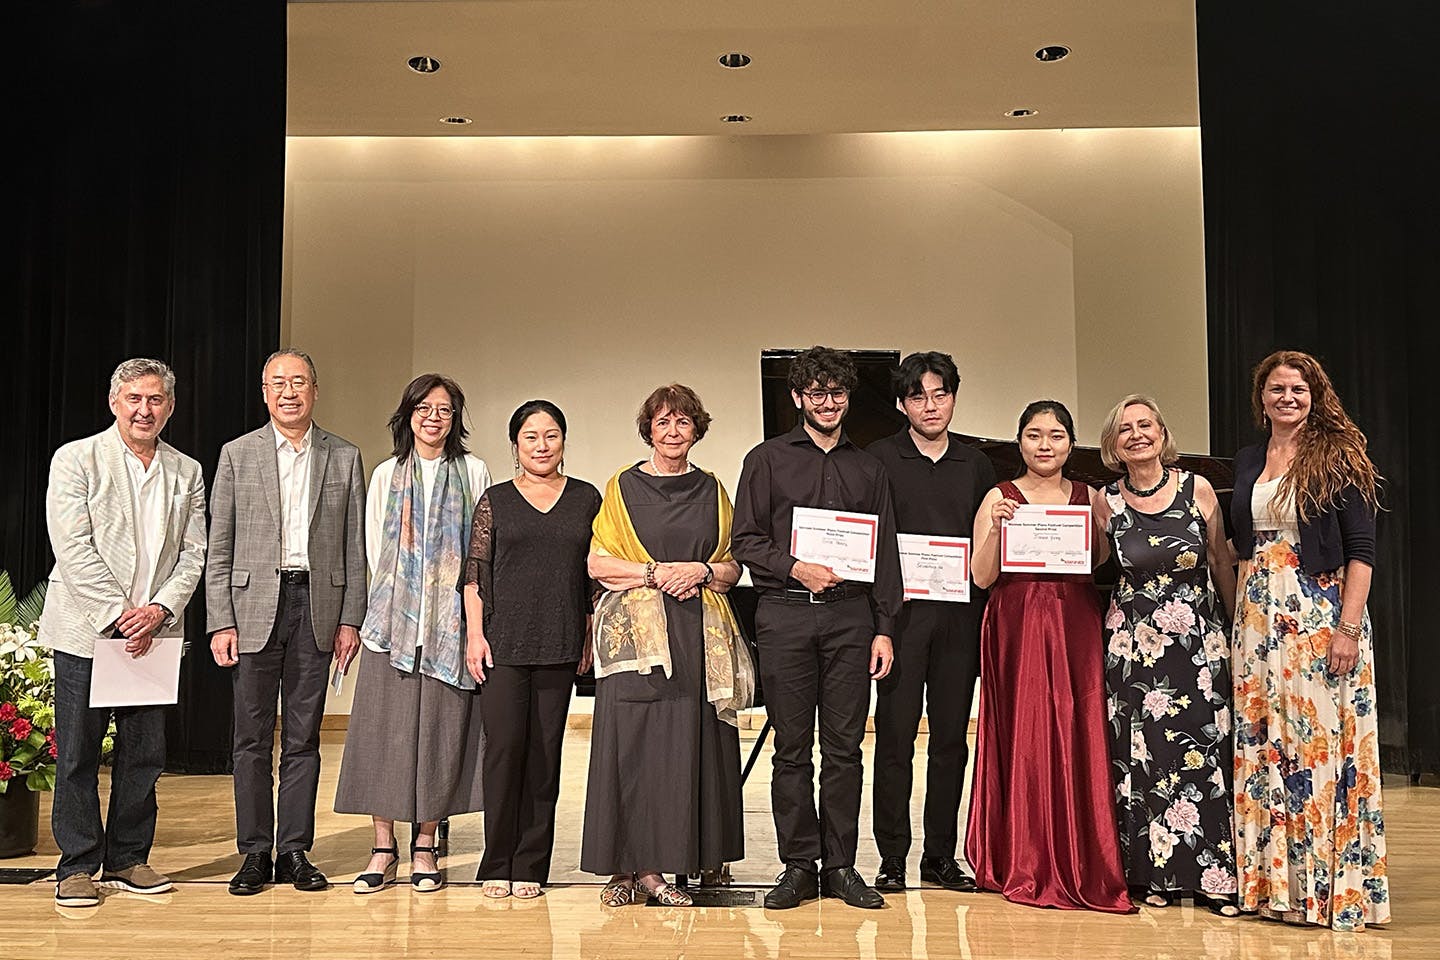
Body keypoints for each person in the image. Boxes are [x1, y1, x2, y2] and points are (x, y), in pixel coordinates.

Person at [731, 345, 901, 911]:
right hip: (785, 612)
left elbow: (886, 555)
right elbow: (746, 541)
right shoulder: (767, 460)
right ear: (799, 398)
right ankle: (798, 866)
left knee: (846, 749)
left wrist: (884, 628)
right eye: (818, 393)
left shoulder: (869, 468)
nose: (829, 404)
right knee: (792, 749)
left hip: (852, 618)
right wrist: (795, 566)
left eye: (838, 393)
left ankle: (843, 866)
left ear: (848, 399)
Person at [39, 359, 207, 908]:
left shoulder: (187, 471)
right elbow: (73, 546)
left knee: (144, 755)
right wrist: (117, 613)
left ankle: (130, 857)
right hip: (88, 632)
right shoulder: (77, 458)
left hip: (152, 636)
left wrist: (158, 609)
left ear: (170, 406)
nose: (145, 409)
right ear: (115, 402)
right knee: (79, 754)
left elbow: (193, 553)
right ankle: (78, 864)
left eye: (155, 399)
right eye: (134, 398)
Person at [1230, 350, 1388, 930]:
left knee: (1316, 747)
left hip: (1319, 614)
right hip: (1257, 620)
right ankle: (1278, 890)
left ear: (1315, 394)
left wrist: (1348, 628)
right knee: (1267, 743)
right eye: (1277, 388)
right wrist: (1237, 629)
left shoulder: (1339, 455)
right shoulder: (1249, 459)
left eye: (1298, 388)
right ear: (1261, 396)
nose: (1287, 397)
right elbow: (1243, 546)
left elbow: (1362, 553)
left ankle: (1328, 889)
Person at [582, 384, 753, 907]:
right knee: (632, 747)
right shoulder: (621, 486)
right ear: (649, 430)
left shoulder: (715, 490)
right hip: (637, 641)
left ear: (696, 430)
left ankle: (674, 867)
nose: (673, 431)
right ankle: (630, 869)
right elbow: (597, 563)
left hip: (698, 637)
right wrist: (656, 572)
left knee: (686, 748)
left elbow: (733, 565)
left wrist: (700, 569)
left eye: (683, 422)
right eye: (663, 422)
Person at [205, 349, 367, 895]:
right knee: (250, 738)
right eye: (278, 383)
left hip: (316, 608)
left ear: (315, 390)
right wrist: (219, 620)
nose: (289, 392)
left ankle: (295, 850)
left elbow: (354, 547)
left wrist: (350, 619)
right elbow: (219, 544)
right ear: (264, 393)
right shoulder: (236, 454)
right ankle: (254, 852)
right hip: (252, 609)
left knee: (304, 737)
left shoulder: (344, 456)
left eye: (299, 382)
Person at [965, 400, 1132, 913]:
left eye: (1057, 436)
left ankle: (1081, 854)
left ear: (1070, 443)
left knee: (1078, 729)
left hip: (1075, 621)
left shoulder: (1088, 495)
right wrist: (995, 526)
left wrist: (1099, 525)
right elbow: (981, 576)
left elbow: (1100, 562)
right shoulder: (1000, 495)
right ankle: (1022, 853)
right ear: (1020, 443)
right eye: (1035, 435)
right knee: (1024, 733)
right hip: (1016, 622)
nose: (1045, 445)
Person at [334, 374, 491, 893]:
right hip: (392, 628)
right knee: (385, 736)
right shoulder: (385, 474)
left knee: (442, 737)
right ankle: (383, 847)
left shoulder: (473, 471)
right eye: (424, 407)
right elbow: (373, 555)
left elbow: (479, 554)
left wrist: (470, 624)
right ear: (408, 415)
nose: (433, 417)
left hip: (450, 628)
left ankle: (425, 843)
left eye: (444, 410)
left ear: (456, 418)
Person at [1092, 395, 1238, 913]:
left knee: (1206, 753)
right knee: (1144, 757)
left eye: (1145, 424)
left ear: (1162, 431)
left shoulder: (1196, 488)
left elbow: (1221, 558)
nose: (1136, 435)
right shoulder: (1103, 501)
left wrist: (1237, 625)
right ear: (1112, 444)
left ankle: (1217, 878)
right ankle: (1154, 877)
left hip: (1197, 644)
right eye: (1124, 428)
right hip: (1134, 649)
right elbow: (1087, 564)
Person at [866, 352, 994, 892]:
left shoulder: (978, 464)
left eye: (940, 394)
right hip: (900, 622)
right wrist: (881, 624)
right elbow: (869, 546)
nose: (931, 405)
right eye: (918, 396)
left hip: (959, 622)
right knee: (894, 740)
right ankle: (891, 857)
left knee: (950, 743)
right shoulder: (878, 460)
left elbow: (991, 544)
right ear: (902, 404)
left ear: (954, 398)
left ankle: (939, 856)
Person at [462, 400, 601, 899]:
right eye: (530, 437)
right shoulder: (494, 500)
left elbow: (593, 579)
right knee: (503, 754)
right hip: (502, 644)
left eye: (551, 436)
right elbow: (474, 575)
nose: (541, 446)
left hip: (560, 643)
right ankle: (496, 862)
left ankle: (531, 866)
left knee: (545, 758)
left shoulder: (587, 498)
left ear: (563, 440)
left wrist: (587, 633)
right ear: (515, 445)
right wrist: (474, 636)